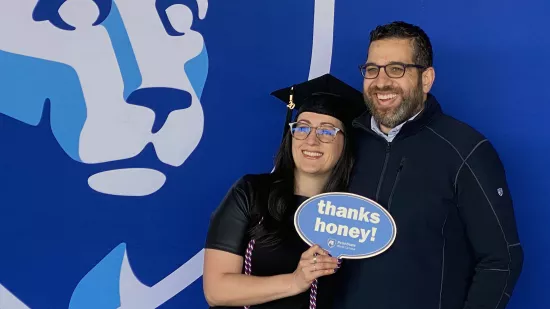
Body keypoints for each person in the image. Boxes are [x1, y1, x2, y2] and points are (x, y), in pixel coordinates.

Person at [332, 21, 524, 309]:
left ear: (426, 79)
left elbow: (502, 260)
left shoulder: (465, 150)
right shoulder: (343, 141)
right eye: (372, 69)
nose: (381, 82)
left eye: (397, 69)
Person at [202, 74, 367, 309]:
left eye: (327, 131)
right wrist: (295, 281)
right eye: (302, 128)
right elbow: (216, 290)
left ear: (346, 142)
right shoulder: (251, 193)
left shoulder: (357, 213)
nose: (312, 141)